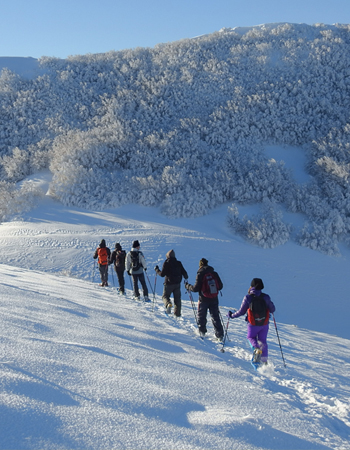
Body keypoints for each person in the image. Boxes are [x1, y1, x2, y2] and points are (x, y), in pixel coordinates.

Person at [227, 278, 275, 364]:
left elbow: (241, 312)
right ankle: (264, 361)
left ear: (252, 286)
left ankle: (257, 350)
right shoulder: (266, 297)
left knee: (251, 337)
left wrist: (231, 315)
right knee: (263, 341)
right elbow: (272, 309)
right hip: (264, 324)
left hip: (252, 324)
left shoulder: (248, 297)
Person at [185, 258, 224, 340]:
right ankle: (219, 334)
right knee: (215, 316)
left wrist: (188, 286)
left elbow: (195, 288)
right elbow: (220, 286)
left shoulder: (200, 274)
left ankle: (202, 332)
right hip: (214, 298)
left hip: (203, 299)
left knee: (202, 315)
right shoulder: (214, 273)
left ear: (200, 265)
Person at [155, 249, 188, 316]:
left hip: (168, 283)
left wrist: (157, 270)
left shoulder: (166, 263)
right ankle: (177, 314)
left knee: (165, 296)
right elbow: (185, 274)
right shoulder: (179, 263)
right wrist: (185, 278)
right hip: (177, 284)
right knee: (177, 299)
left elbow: (162, 274)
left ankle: (168, 304)